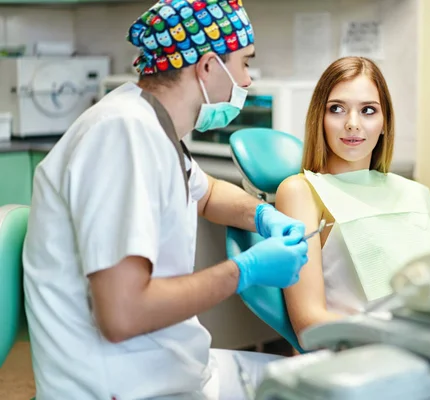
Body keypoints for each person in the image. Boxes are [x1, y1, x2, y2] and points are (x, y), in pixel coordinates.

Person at [22, 1, 309, 399]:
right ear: (208, 67)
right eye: (245, 63)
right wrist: (245, 269)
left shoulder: (150, 122)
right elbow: (123, 314)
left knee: (318, 379)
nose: (246, 80)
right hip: (126, 386)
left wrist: (263, 215)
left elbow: (206, 192)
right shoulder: (122, 135)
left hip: (173, 369)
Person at [275, 57, 430, 345]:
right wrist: (402, 339)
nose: (353, 124)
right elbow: (308, 323)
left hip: (426, 352)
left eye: (368, 110)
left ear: (385, 123)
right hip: (356, 358)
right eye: (337, 109)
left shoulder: (415, 193)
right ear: (319, 119)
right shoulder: (301, 191)